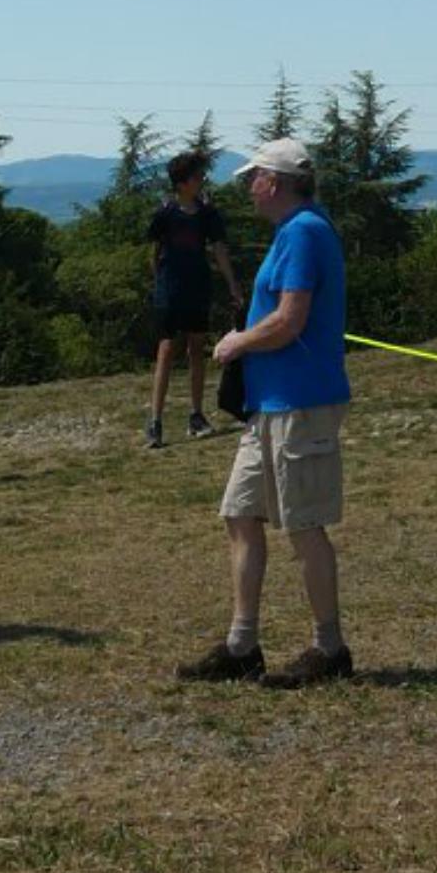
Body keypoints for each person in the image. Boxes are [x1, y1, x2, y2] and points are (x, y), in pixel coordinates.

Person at [178, 133, 351, 690]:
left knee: (304, 527)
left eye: (254, 178)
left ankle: (330, 649)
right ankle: (241, 645)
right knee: (241, 515)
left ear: (274, 182)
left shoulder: (303, 232)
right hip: (271, 406)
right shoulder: (292, 232)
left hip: (300, 403)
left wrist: (237, 343)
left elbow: (290, 320)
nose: (249, 187)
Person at [144, 150, 238, 449]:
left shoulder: (208, 214)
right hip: (170, 289)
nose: (202, 181)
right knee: (167, 349)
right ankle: (155, 421)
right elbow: (154, 252)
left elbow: (219, 249)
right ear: (182, 182)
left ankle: (196, 416)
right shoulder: (165, 213)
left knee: (197, 348)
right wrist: (159, 284)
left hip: (198, 286)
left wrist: (233, 284)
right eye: (197, 176)